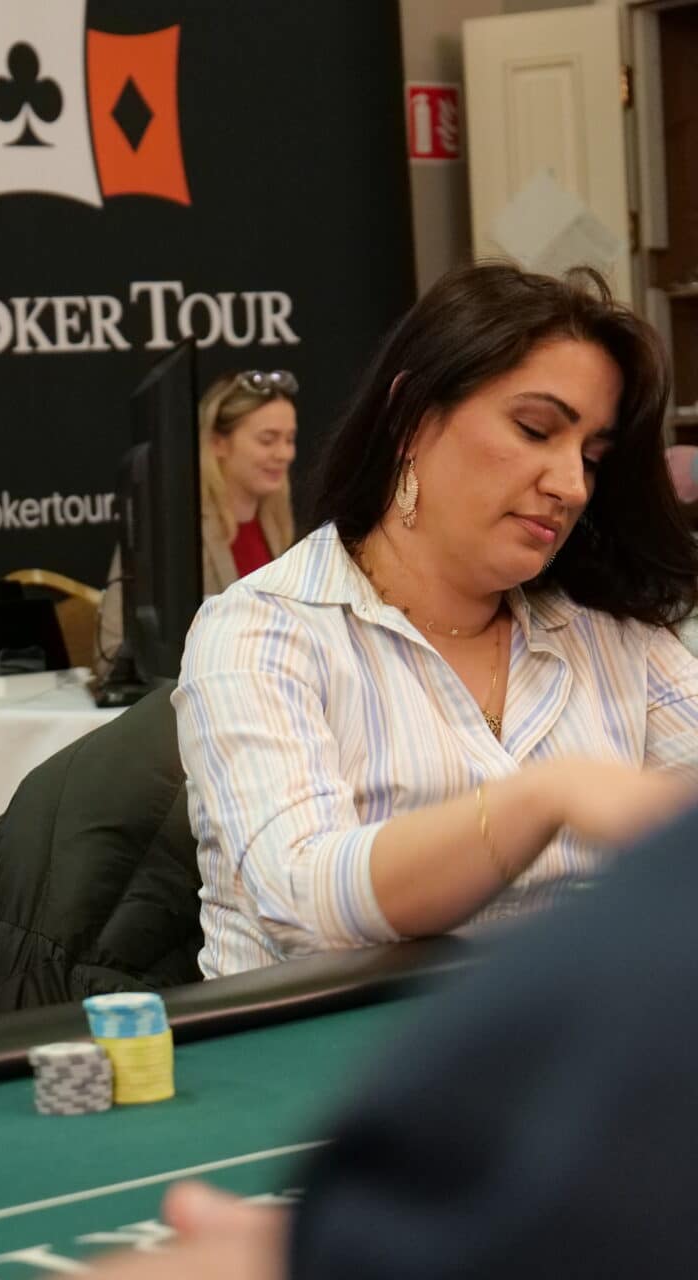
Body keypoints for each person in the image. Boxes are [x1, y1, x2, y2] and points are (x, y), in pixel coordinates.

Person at [175, 263, 698, 980]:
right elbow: (304, 905)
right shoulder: (264, 629)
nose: (571, 485)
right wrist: (543, 798)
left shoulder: (611, 633)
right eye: (535, 429)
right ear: (411, 417)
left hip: (575, 1030)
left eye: (592, 458)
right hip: (338, 1040)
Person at [90, 794, 698, 1279]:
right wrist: (544, 794)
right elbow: (304, 899)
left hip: (543, 1058)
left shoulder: (628, 656)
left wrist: (331, 1257)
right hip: (304, 1054)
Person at [96, 369, 298, 674]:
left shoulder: (277, 524)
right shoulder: (170, 531)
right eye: (267, 440)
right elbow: (112, 652)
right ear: (218, 443)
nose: (284, 453)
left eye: (290, 439)